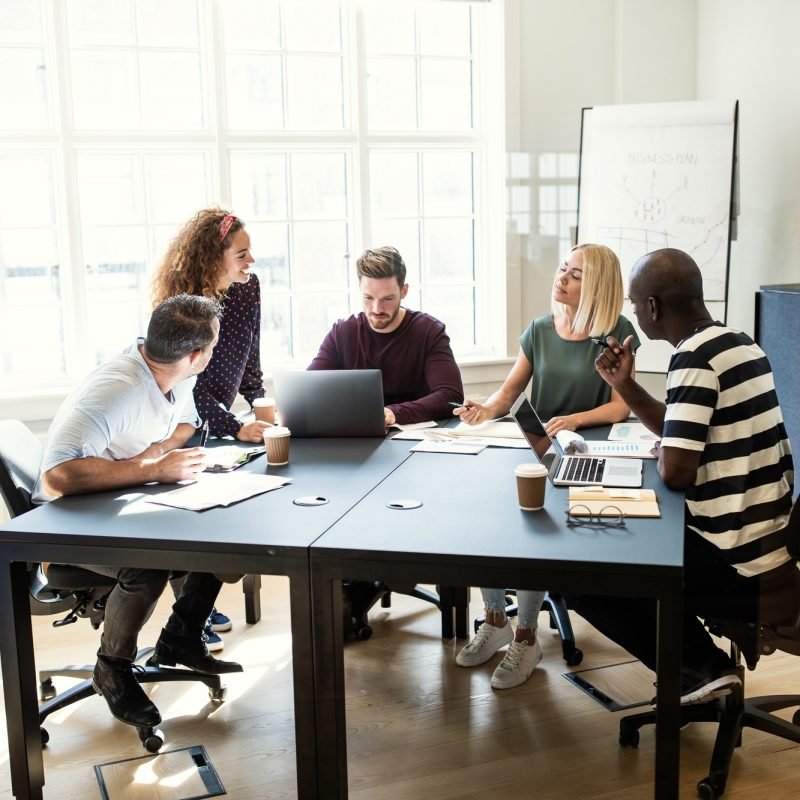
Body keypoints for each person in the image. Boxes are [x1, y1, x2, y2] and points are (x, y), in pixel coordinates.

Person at [569, 247, 796, 704]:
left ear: (652, 306)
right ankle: (698, 666)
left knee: (582, 572)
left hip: (735, 560)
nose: (632, 311)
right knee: (616, 540)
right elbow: (679, 427)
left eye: (634, 302)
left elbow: (675, 473)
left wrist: (666, 455)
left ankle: (701, 667)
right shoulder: (738, 342)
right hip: (771, 543)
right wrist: (625, 386)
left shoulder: (692, 358)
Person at [33, 294, 242, 730]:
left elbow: (185, 423)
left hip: (124, 502)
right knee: (144, 568)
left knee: (220, 533)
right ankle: (111, 668)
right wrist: (151, 469)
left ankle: (181, 639)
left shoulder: (174, 371)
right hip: (63, 523)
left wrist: (159, 456)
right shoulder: (116, 390)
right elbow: (56, 477)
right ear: (197, 354)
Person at [453, 244, 640, 689]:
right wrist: (484, 409)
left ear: (595, 286)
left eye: (575, 274)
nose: (561, 278)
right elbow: (508, 393)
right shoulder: (539, 329)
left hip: (586, 454)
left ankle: (526, 637)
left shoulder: (617, 331)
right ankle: (496, 621)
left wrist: (574, 419)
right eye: (562, 269)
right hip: (537, 447)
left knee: (532, 536)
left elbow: (620, 407)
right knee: (493, 521)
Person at [152, 208, 268, 646]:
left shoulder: (248, 289)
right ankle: (190, 618)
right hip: (184, 419)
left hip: (224, 420)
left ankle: (192, 612)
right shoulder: (181, 305)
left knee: (222, 512)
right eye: (241, 253)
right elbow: (184, 382)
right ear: (211, 258)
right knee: (197, 519)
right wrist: (234, 425)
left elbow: (251, 356)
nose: (250, 260)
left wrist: (260, 407)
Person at [308, 246, 464, 425]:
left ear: (403, 291)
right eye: (368, 298)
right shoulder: (342, 332)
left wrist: (394, 413)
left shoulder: (429, 332)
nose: (376, 309)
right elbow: (309, 388)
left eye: (387, 299)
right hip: (356, 439)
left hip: (416, 440)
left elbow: (451, 396)